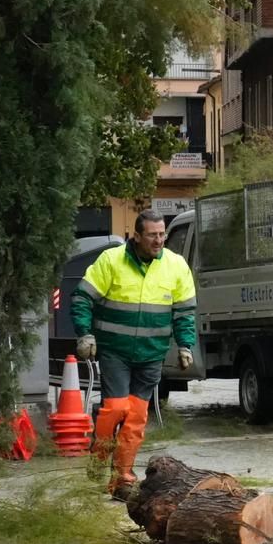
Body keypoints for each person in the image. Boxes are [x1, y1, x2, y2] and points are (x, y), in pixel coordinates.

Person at [73, 210, 196, 494]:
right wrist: (85, 334)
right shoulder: (111, 261)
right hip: (115, 352)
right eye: (152, 235)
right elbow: (81, 297)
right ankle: (99, 457)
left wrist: (185, 345)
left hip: (151, 354)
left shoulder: (176, 266)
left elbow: (185, 311)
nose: (159, 240)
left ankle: (122, 479)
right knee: (115, 409)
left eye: (162, 234)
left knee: (136, 418)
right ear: (137, 236)